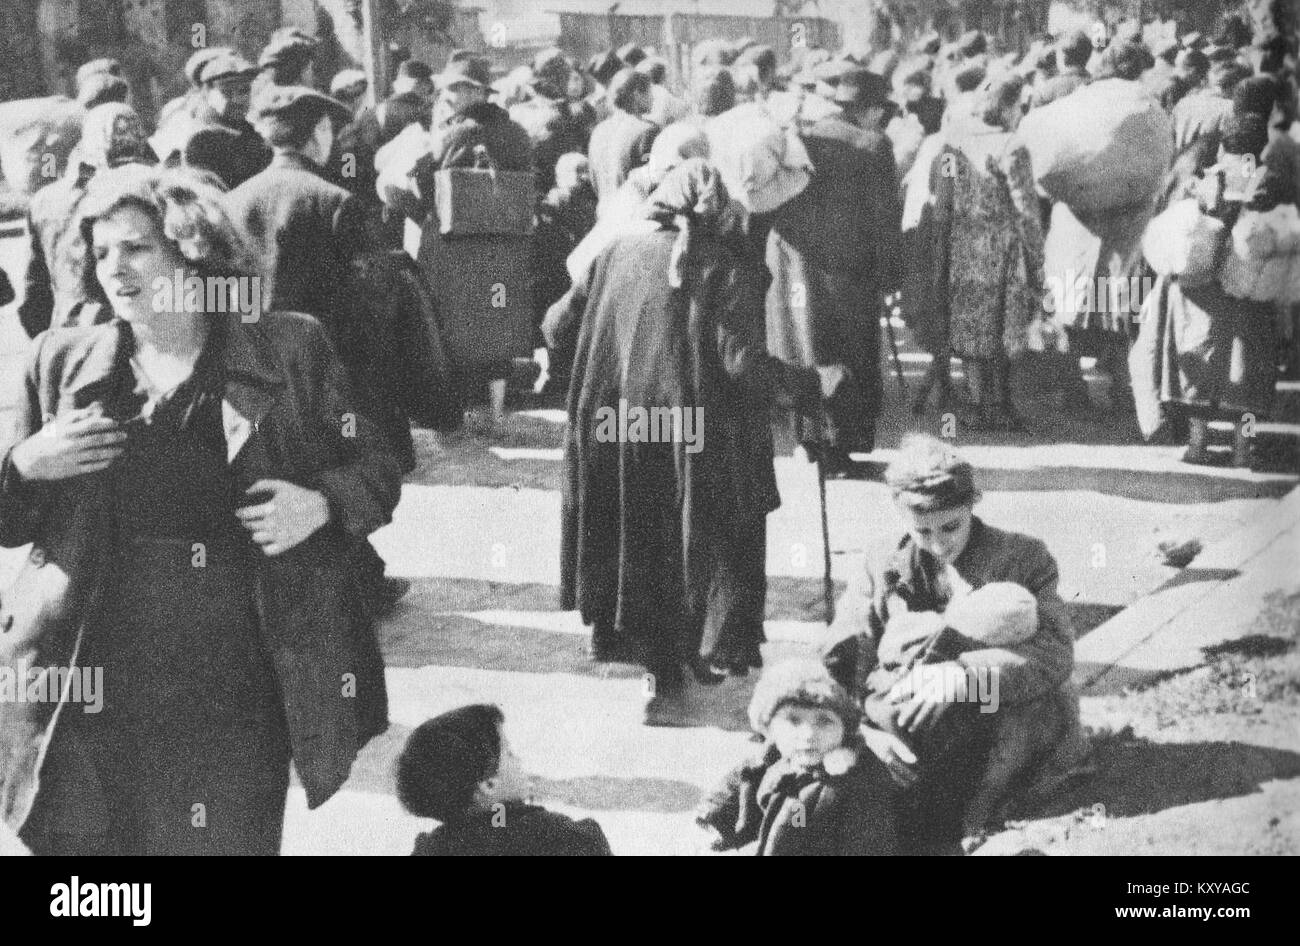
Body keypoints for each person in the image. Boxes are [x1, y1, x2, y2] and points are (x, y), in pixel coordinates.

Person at [1, 165, 400, 855]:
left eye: (136, 248)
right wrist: (27, 466)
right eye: (100, 253)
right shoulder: (60, 363)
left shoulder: (290, 349)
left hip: (236, 678)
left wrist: (322, 504)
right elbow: (9, 523)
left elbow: (378, 462)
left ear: (193, 249)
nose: (115, 270)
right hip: (89, 681)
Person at [550, 160, 817, 725]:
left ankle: (659, 676)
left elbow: (556, 327)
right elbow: (742, 364)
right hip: (692, 434)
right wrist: (812, 384)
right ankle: (691, 660)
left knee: (644, 546)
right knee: (694, 544)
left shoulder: (615, 253)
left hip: (619, 430)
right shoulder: (727, 266)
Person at [820, 435, 1078, 854]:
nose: (939, 545)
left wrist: (964, 677)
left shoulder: (1024, 559)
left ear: (972, 504)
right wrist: (859, 734)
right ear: (899, 514)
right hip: (911, 726)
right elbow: (842, 656)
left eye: (951, 526)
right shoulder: (881, 561)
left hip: (1002, 713)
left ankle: (970, 817)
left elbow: (1054, 656)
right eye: (922, 531)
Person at [766, 67, 899, 470]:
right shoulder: (873, 144)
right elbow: (883, 218)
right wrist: (890, 275)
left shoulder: (800, 136)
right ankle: (839, 448)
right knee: (850, 353)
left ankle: (808, 440)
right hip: (848, 270)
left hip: (793, 264)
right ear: (872, 110)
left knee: (805, 348)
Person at [695, 659, 899, 856]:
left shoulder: (857, 786)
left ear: (844, 728)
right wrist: (717, 817)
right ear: (769, 728)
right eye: (793, 720)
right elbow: (745, 782)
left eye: (824, 721)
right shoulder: (779, 758)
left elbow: (869, 845)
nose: (809, 734)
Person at [934, 74, 1045, 430]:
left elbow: (943, 201)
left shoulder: (953, 144)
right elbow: (1026, 209)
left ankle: (976, 404)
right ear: (1010, 106)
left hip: (964, 246)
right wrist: (1038, 258)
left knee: (970, 325)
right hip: (1003, 249)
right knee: (1004, 327)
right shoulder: (1013, 147)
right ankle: (1002, 405)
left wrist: (942, 246)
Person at [399, 704, 612, 856]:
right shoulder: (563, 837)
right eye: (509, 753)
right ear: (488, 783)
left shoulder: (431, 849)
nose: (518, 759)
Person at [18, 102, 155, 338]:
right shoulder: (149, 188)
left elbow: (34, 295)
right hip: (133, 331)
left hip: (70, 333)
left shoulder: (45, 199)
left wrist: (48, 344)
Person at [175, 52, 271, 190]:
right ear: (206, 93)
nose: (238, 100)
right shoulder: (202, 141)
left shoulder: (248, 131)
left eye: (244, 90)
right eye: (227, 93)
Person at [587, 68, 659, 217]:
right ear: (637, 94)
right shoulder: (647, 131)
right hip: (634, 217)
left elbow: (594, 180)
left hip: (604, 217)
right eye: (650, 92)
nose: (654, 98)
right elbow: (654, 183)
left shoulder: (599, 131)